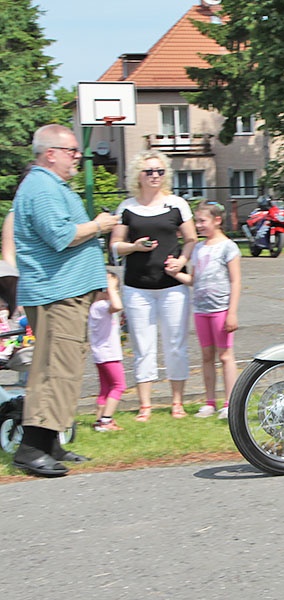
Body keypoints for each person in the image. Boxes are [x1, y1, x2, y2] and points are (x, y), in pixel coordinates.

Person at [10, 124, 118, 476]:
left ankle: (51, 443)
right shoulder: (41, 187)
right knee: (53, 372)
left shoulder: (51, 186)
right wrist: (100, 225)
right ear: (50, 153)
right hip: (56, 295)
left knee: (66, 369)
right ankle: (30, 450)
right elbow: (61, 236)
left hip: (64, 293)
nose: (77, 157)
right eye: (72, 151)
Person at [110, 150, 197, 421]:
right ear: (138, 174)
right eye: (149, 171)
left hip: (172, 287)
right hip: (137, 287)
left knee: (175, 344)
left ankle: (177, 402)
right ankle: (145, 405)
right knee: (143, 347)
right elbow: (115, 246)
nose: (155, 176)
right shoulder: (126, 208)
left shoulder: (176, 204)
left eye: (160, 171)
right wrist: (134, 246)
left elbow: (191, 239)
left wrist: (181, 261)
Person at [167, 201, 241, 419]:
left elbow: (236, 281)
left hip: (221, 309)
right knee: (207, 356)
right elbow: (193, 280)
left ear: (217, 221)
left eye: (202, 221)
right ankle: (210, 402)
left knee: (225, 356)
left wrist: (232, 312)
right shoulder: (198, 249)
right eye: (196, 221)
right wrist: (174, 273)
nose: (198, 225)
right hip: (201, 309)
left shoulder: (228, 247)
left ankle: (230, 402)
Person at [90, 270, 126, 432]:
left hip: (101, 353)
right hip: (108, 354)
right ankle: (106, 420)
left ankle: (99, 419)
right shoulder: (101, 306)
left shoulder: (95, 307)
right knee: (119, 386)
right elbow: (118, 306)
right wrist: (111, 289)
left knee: (106, 387)